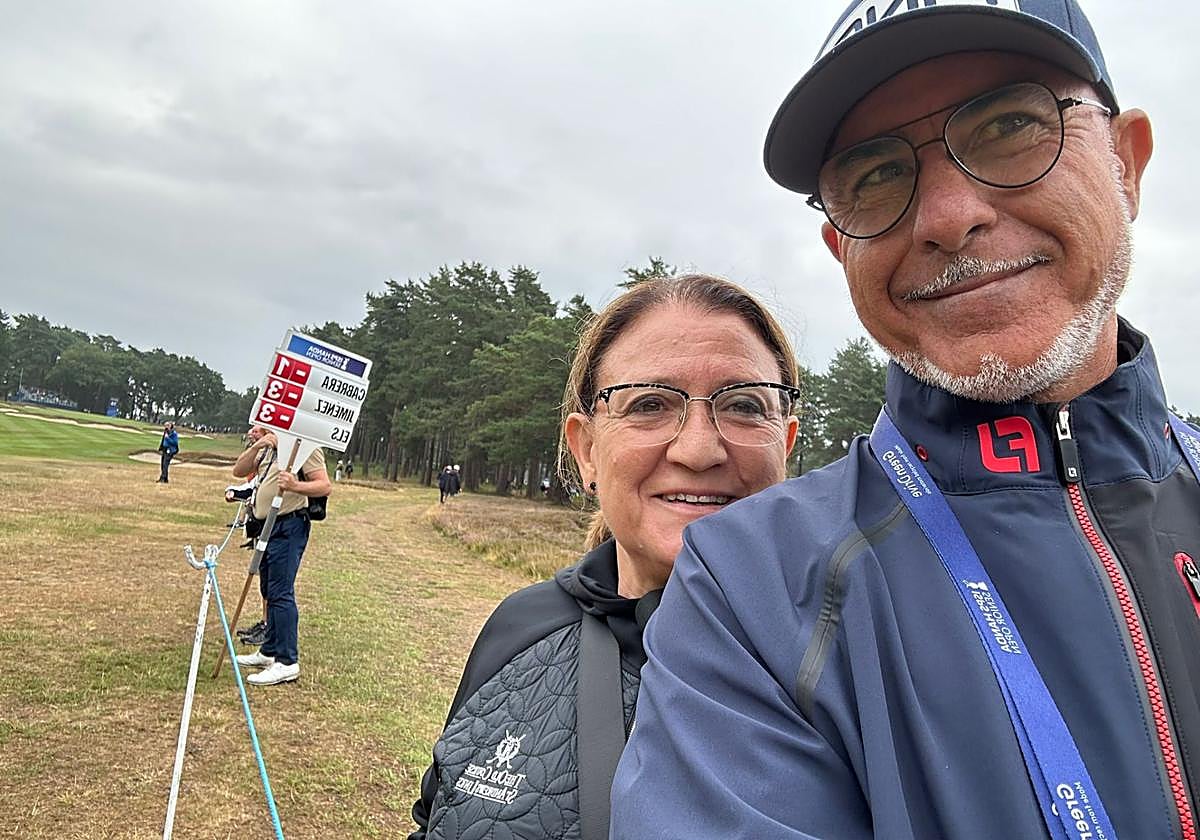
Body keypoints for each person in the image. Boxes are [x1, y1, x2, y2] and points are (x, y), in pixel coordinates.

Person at [610, 3, 1200, 839]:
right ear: (839, 248)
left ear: (1127, 164)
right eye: (877, 174)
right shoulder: (751, 586)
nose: (947, 216)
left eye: (1008, 125)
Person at [408, 274, 800, 839]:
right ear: (586, 450)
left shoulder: (858, 659)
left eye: (742, 405)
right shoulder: (520, 628)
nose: (698, 449)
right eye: (649, 403)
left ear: (783, 444)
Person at [232, 431, 332, 686]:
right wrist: (258, 447)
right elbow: (238, 470)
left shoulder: (304, 446)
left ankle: (287, 661)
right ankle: (269, 651)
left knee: (280, 591)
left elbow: (324, 485)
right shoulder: (267, 447)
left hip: (289, 525)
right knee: (268, 589)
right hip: (266, 526)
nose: (260, 426)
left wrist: (295, 486)